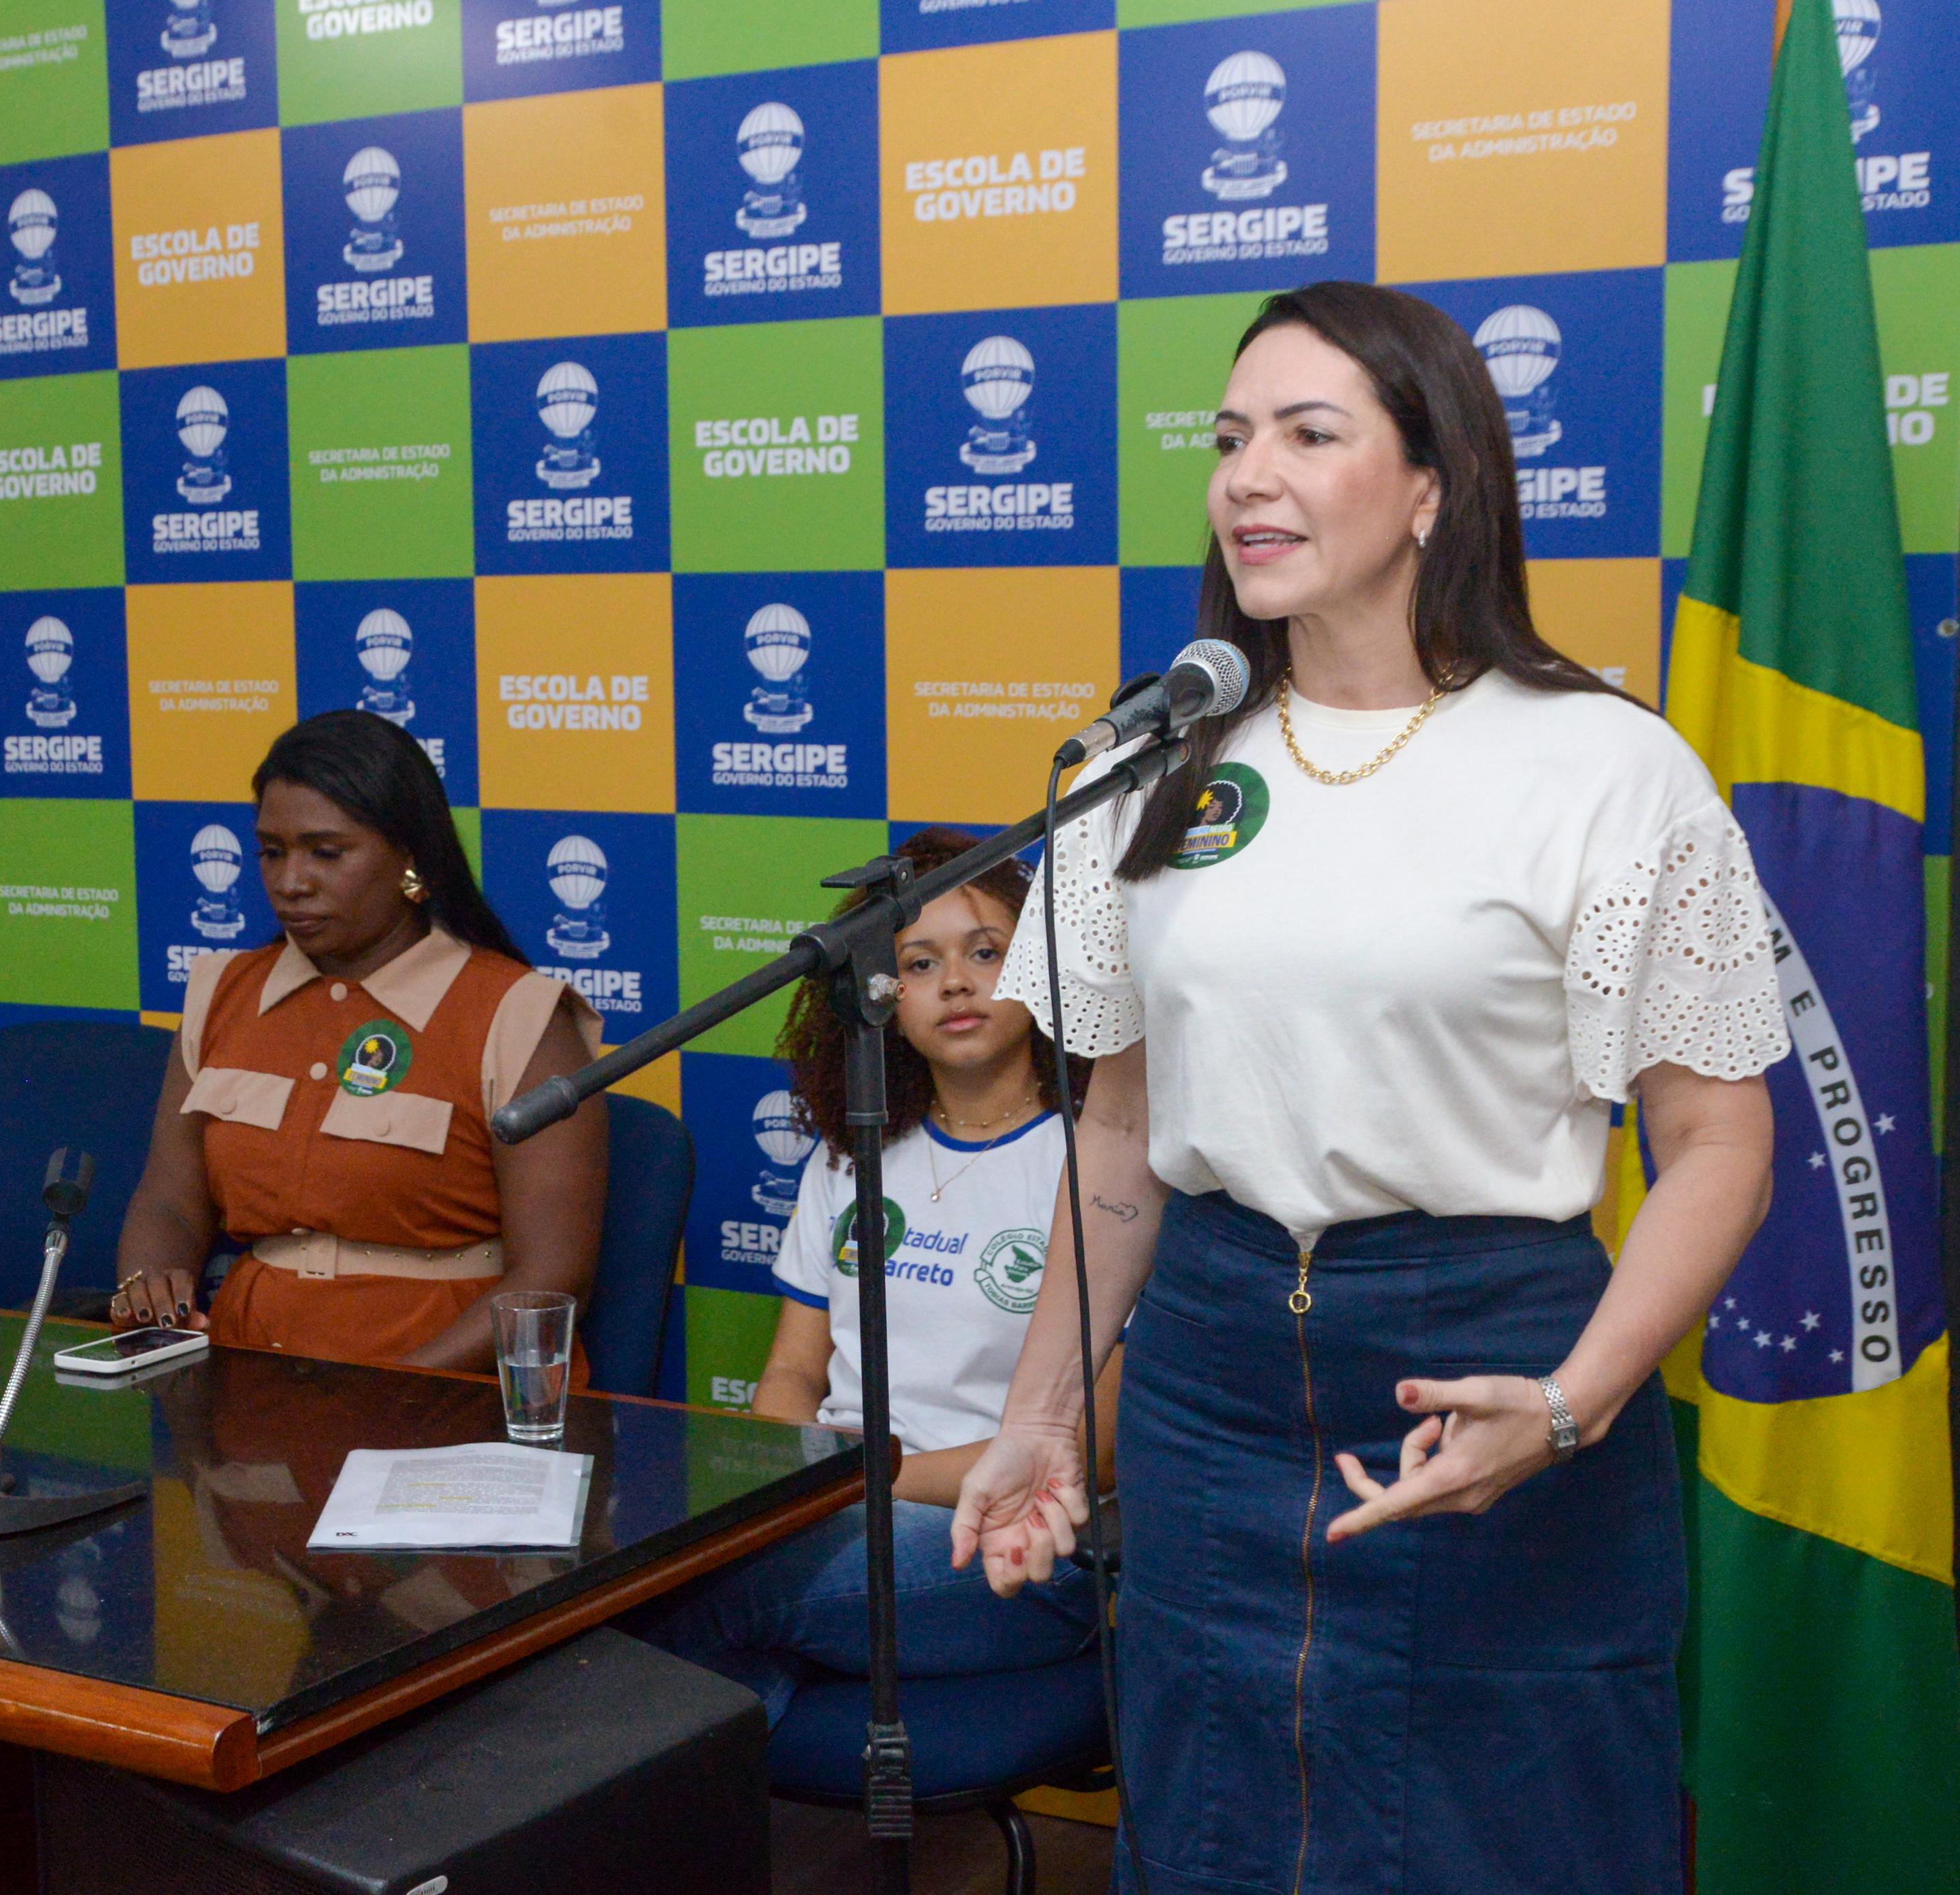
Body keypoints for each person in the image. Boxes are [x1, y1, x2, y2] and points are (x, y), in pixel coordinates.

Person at [950, 282, 1783, 1895]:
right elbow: (1116, 1130)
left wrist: (1568, 1400)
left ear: (1432, 485)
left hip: (1489, 1370)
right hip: (1207, 1374)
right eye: (1229, 438)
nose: (1247, 474)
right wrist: (1043, 1413)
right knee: (1212, 1818)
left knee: (1509, 1828)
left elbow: (1716, 1139)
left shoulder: (1600, 765)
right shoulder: (1146, 760)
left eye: (1308, 434)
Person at [630, 827, 1104, 1722]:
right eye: (919, 963)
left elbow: (1098, 1441)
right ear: (881, 995)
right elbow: (792, 1375)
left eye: (987, 952)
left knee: (717, 1596)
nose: (955, 982)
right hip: (833, 1507)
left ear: (1042, 968)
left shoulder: (1097, 1164)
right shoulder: (854, 1155)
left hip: (1017, 1539)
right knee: (685, 1598)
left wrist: (851, 1483)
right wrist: (790, 1486)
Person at [113, 711, 608, 1369]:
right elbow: (169, 1201)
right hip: (248, 1385)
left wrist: (390, 1393)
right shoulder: (221, 990)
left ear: (410, 858)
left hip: (447, 1396)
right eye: (271, 851)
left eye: (326, 852)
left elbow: (553, 1276)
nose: (290, 882)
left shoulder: (518, 1013)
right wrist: (149, 1289)